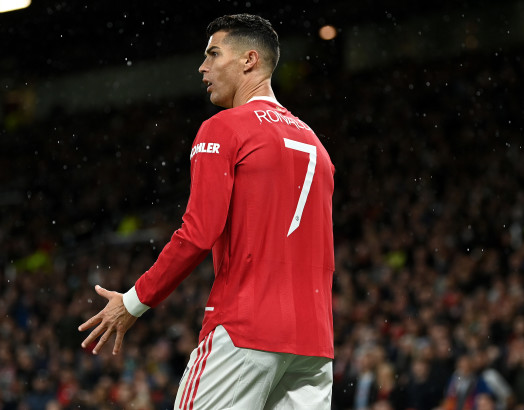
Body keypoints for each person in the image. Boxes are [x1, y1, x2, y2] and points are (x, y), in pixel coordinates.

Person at [79, 13, 336, 409]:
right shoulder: (317, 146)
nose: (202, 67)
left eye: (213, 54)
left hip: (246, 330)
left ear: (249, 60)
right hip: (314, 343)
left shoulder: (225, 127)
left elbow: (198, 234)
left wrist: (132, 302)